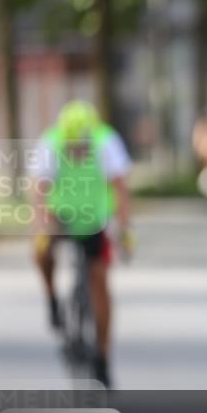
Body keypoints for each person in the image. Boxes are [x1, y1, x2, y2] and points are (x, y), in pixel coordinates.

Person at [31, 100, 132, 387]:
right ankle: (51, 298)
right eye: (72, 146)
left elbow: (121, 189)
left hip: (94, 219)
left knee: (99, 281)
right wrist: (42, 228)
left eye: (82, 146)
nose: (77, 151)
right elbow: (39, 190)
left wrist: (124, 229)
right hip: (60, 214)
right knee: (41, 252)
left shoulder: (106, 142)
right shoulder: (50, 144)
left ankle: (102, 356)